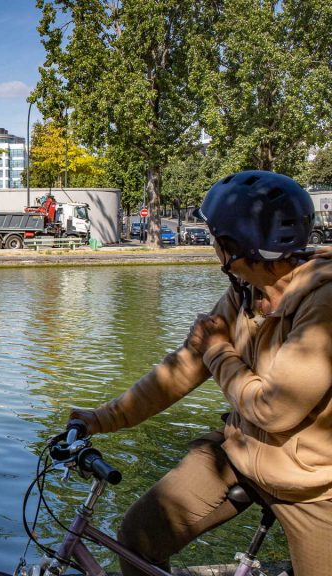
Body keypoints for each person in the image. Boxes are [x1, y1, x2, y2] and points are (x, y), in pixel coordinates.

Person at [71, 171, 332, 575]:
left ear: (233, 247)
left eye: (215, 237)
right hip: (241, 454)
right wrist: (102, 419)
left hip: (314, 486)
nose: (211, 244)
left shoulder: (324, 304)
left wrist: (217, 349)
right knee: (138, 538)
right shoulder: (246, 289)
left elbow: (274, 410)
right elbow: (182, 368)